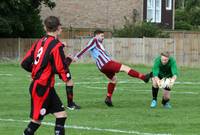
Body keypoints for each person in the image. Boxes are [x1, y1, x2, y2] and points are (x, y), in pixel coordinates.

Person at [21, 16, 72, 135]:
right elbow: (60, 67)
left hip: (46, 87)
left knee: (61, 115)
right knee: (36, 121)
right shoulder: (56, 45)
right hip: (41, 88)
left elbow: (25, 63)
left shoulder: (39, 42)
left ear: (45, 27)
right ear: (59, 28)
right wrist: (67, 79)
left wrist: (36, 73)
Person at [74, 29, 151, 107]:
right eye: (102, 36)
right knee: (125, 68)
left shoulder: (98, 44)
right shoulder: (94, 40)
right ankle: (144, 77)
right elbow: (86, 48)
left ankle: (108, 98)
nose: (103, 37)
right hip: (106, 63)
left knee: (113, 80)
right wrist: (77, 57)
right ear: (96, 36)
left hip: (102, 66)